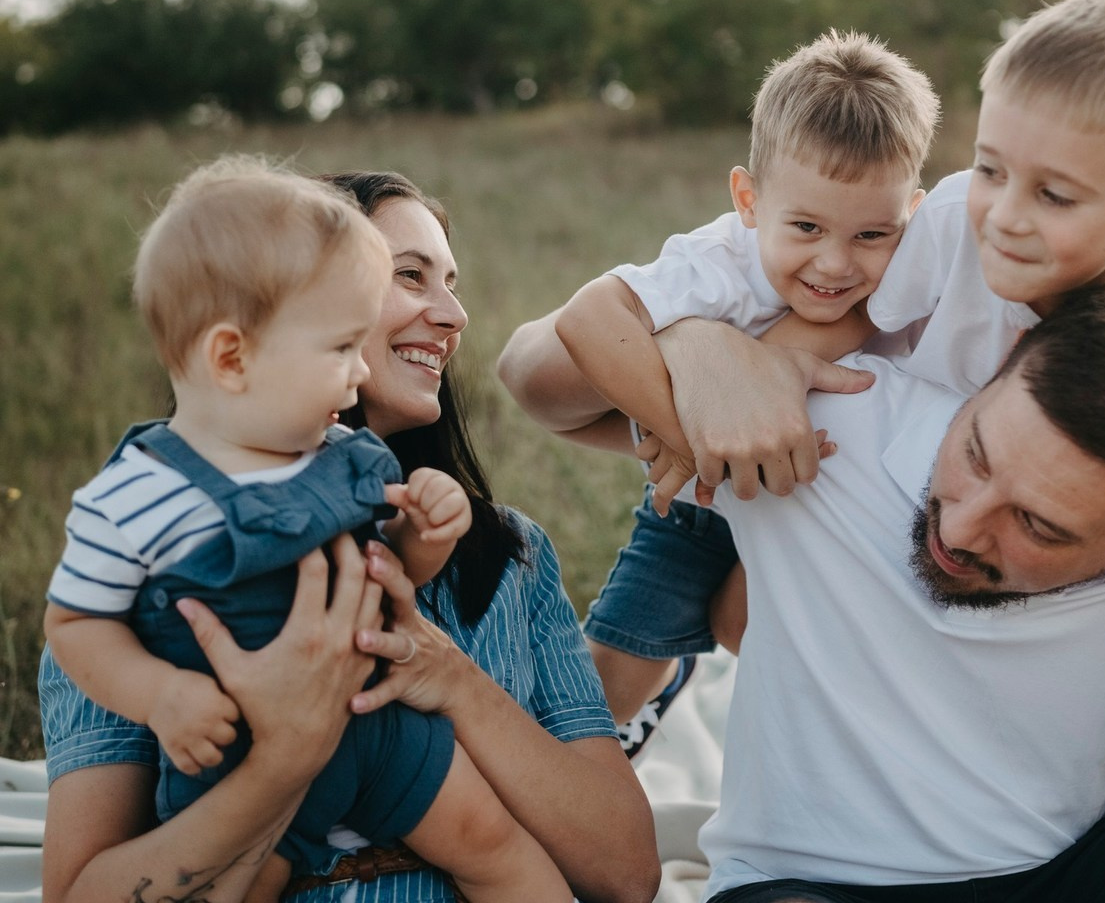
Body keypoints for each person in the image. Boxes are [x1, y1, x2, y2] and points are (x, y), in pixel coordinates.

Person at [39, 167, 658, 903]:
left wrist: (453, 680)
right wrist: (285, 760)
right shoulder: (152, 545)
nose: (454, 314)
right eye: (409, 275)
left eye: (451, 283)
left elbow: (626, 875)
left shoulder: (509, 556)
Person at [666, 281, 1105, 901]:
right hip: (813, 883)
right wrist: (698, 345)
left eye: (1036, 524)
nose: (958, 530)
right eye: (976, 456)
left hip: (1072, 869)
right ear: (1005, 363)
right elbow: (596, 394)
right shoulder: (843, 415)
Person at [532, 31, 937, 743]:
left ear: (913, 212)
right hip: (700, 505)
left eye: (872, 235)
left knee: (777, 648)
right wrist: (690, 440)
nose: (835, 264)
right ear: (749, 199)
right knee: (611, 686)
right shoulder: (721, 260)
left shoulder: (912, 269)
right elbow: (587, 320)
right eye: (806, 226)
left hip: (816, 502)